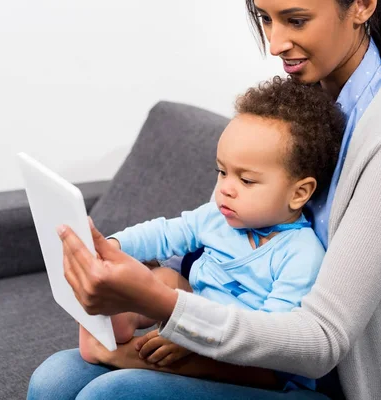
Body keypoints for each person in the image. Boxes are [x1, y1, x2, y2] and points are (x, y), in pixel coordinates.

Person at [28, 0, 381, 399]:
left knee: (115, 394)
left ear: (361, 5)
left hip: (333, 380)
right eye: (266, 18)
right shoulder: (302, 100)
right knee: (55, 379)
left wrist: (166, 307)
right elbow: (217, 230)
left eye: (296, 20)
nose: (274, 43)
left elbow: (321, 341)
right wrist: (128, 274)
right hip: (244, 346)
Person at [71, 77, 345, 395]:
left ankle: (117, 354)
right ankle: (123, 317)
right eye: (222, 172)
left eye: (246, 180)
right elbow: (166, 232)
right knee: (164, 277)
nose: (225, 188)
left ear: (299, 193)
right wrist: (112, 246)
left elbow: (271, 338)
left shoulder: (301, 253)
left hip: (261, 371)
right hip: (199, 327)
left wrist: (195, 339)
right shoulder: (218, 217)